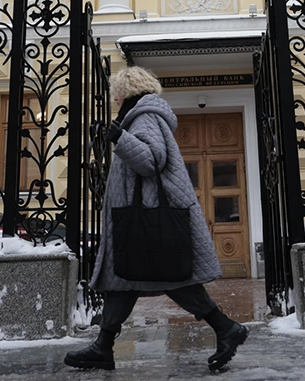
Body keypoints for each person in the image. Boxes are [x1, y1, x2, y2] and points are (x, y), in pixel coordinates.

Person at [64, 66, 249, 372]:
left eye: (115, 94)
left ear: (125, 93)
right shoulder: (142, 116)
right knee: (123, 281)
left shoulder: (144, 117)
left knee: (160, 277)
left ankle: (225, 327)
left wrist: (119, 138)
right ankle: (103, 346)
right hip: (140, 218)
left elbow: (152, 160)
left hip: (146, 218)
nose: (113, 99)